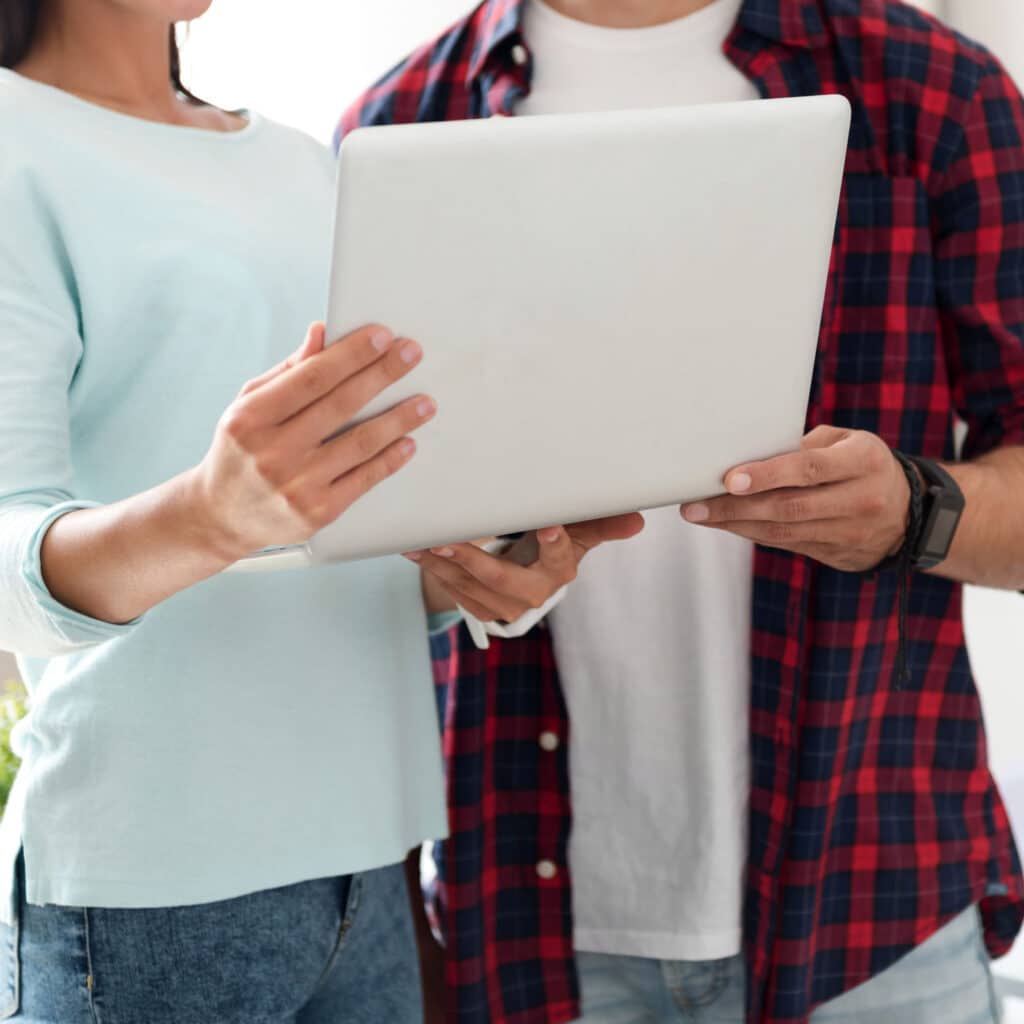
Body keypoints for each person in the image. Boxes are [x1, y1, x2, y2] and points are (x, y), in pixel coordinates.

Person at [339, 0, 1024, 1021]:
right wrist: (450, 574)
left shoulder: (932, 92)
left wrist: (912, 511)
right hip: (526, 925)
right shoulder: (395, 124)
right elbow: (352, 539)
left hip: (875, 915)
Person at [0, 2, 643, 1021]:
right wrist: (209, 515)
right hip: (151, 886)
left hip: (368, 860)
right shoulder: (13, 146)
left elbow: (338, 528)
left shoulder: (309, 164)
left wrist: (466, 574)